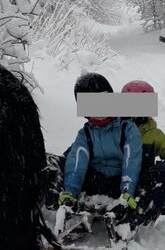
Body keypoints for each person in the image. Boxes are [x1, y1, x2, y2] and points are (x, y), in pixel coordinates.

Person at [58, 73, 142, 224]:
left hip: (119, 182)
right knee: (61, 162)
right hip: (95, 181)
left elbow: (132, 161)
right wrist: (70, 192)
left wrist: (127, 192)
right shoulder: (86, 134)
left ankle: (129, 209)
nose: (99, 115)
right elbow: (77, 162)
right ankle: (67, 203)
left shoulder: (127, 129)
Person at [121, 80, 165, 224]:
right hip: (116, 181)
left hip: (142, 184)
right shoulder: (114, 129)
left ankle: (146, 209)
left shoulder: (153, 135)